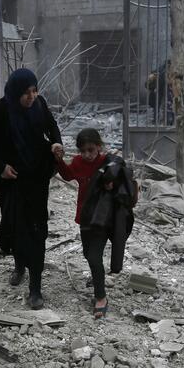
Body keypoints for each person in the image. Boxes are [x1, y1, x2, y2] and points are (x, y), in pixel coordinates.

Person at [0, 68, 63, 310]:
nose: (32, 97)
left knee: (36, 229)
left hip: (37, 177)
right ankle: (19, 265)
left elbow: (52, 126)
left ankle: (35, 288)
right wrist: (0, 166)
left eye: (34, 91)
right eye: (26, 93)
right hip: (11, 180)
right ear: (15, 93)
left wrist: (56, 143)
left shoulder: (39, 104)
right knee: (14, 226)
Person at [54, 129, 136, 319]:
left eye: (91, 150)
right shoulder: (78, 162)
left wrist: (112, 183)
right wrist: (59, 160)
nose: (87, 155)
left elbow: (126, 182)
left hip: (104, 219)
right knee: (87, 253)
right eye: (83, 150)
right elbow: (67, 175)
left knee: (93, 255)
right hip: (85, 216)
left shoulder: (108, 163)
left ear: (99, 147)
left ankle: (101, 297)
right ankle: (97, 276)